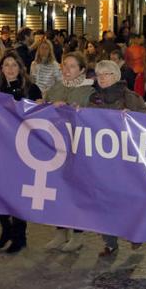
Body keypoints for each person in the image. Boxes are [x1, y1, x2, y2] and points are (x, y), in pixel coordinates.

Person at [88, 60, 146, 257]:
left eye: (107, 74)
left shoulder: (131, 97)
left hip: (126, 160)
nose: (102, 78)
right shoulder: (94, 98)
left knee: (126, 200)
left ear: (116, 76)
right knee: (103, 201)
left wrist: (134, 117)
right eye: (99, 74)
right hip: (101, 160)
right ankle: (110, 241)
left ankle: (134, 233)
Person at [43, 52, 95, 252]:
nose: (67, 69)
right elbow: (42, 113)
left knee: (76, 191)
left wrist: (80, 111)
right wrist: (46, 105)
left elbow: (97, 117)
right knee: (58, 189)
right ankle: (60, 232)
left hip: (78, 148)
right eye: (65, 65)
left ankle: (78, 234)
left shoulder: (88, 91)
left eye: (72, 66)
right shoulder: (55, 88)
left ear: (82, 69)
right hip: (55, 147)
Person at [0, 51, 42, 254]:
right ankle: (6, 230)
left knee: (16, 194)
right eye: (6, 65)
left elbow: (42, 114)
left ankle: (19, 236)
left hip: (22, 150)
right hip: (1, 148)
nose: (9, 69)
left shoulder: (31, 89)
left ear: (20, 68)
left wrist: (46, 106)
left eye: (13, 65)